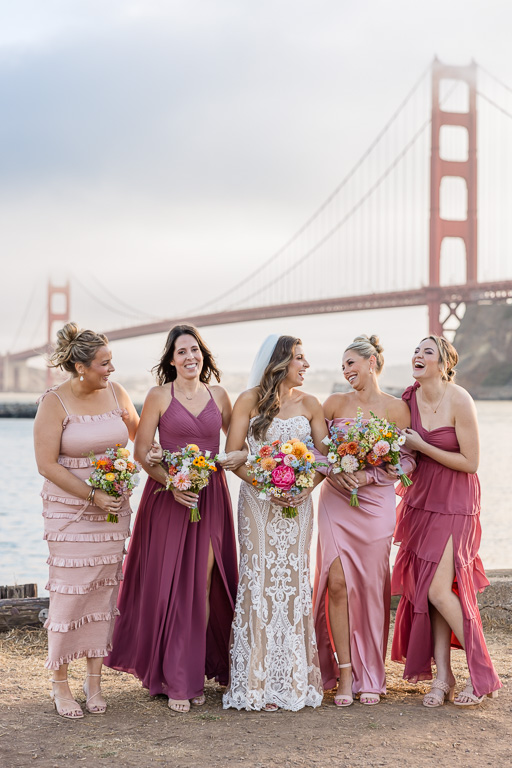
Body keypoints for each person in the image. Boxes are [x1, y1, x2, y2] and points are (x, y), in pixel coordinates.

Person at [105, 324, 244, 713]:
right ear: (171, 359)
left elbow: (239, 444)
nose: (190, 357)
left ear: (203, 355)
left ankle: (191, 673)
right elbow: (142, 451)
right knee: (169, 584)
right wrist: (171, 481)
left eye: (195, 350)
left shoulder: (219, 395)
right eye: (182, 352)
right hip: (168, 499)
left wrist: (237, 458)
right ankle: (170, 675)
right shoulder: (157, 396)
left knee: (202, 582)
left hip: (211, 497)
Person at [34, 322, 139, 719]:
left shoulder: (118, 393)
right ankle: (59, 685)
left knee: (102, 593)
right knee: (70, 594)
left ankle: (93, 684)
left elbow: (142, 441)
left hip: (113, 512)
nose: (110, 369)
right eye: (103, 363)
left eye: (111, 362)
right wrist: (93, 494)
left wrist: (181, 467)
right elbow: (45, 464)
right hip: (69, 513)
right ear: (80, 366)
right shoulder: (54, 403)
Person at [391, 335, 502, 707]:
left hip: (456, 501)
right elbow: (402, 452)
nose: (418, 355)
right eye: (416, 350)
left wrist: (422, 446)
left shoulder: (460, 399)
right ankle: (443, 677)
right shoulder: (408, 400)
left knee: (440, 590)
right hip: (421, 501)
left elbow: (470, 462)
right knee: (431, 591)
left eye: (427, 351)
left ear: (444, 363)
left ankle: (482, 673)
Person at [222, 334, 326, 711]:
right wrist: (267, 485)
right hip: (257, 504)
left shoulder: (312, 404)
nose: (306, 365)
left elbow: (324, 460)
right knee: (259, 580)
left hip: (298, 507)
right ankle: (256, 683)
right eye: (300, 358)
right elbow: (234, 456)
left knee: (294, 583)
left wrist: (304, 488)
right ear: (281, 362)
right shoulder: (249, 400)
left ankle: (292, 680)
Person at [313, 334, 414, 707]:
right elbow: (314, 449)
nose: (346, 371)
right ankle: (343, 673)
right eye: (342, 366)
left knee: (372, 588)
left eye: (351, 363)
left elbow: (408, 462)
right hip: (337, 500)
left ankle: (371, 672)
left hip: (376, 505)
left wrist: (370, 476)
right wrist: (335, 471)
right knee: (336, 583)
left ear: (371, 363)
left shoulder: (396, 408)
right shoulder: (334, 403)